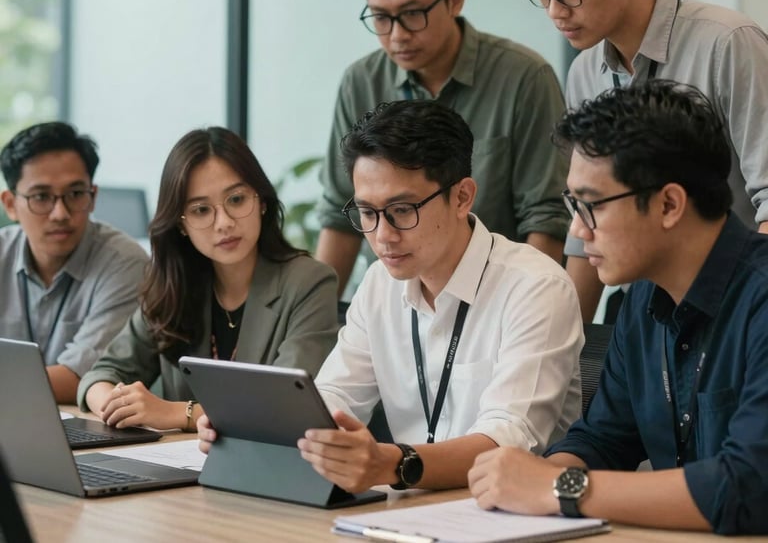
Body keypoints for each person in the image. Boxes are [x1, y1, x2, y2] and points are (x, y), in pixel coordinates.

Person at [200, 101, 583, 492]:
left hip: (512, 515)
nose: (382, 236)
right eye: (367, 212)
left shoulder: (535, 288)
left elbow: (507, 439)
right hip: (409, 508)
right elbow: (334, 397)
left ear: (462, 197)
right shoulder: (380, 283)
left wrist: (393, 463)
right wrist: (253, 425)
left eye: (402, 210)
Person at [468, 80, 768, 535]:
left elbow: (746, 487)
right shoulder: (643, 296)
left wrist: (560, 489)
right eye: (572, 204)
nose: (577, 229)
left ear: (669, 204)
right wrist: (530, 479)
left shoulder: (761, 298)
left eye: (590, 206)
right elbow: (604, 439)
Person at [509, 0, 768, 321]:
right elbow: (585, 225)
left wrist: (750, 320)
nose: (554, 10)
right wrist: (564, 347)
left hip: (738, 305)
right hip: (647, 313)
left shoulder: (728, 43)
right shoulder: (587, 71)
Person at [316, 0, 570, 293]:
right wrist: (319, 322)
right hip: (393, 301)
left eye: (413, 13)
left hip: (494, 298)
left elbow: (546, 220)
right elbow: (340, 212)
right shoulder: (361, 81)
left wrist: (525, 307)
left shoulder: (524, 78)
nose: (398, 35)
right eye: (381, 18)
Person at [77, 127, 338, 432]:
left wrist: (179, 414)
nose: (224, 223)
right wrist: (119, 405)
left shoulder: (309, 283)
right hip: (178, 468)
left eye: (237, 199)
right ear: (181, 225)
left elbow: (285, 405)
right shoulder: (175, 286)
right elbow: (99, 377)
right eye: (201, 210)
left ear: (262, 202)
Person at [0, 122, 147, 404]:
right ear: (9, 204)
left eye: (75, 194)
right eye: (41, 197)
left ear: (93, 197)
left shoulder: (124, 263)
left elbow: (82, 377)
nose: (60, 213)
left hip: (84, 430)